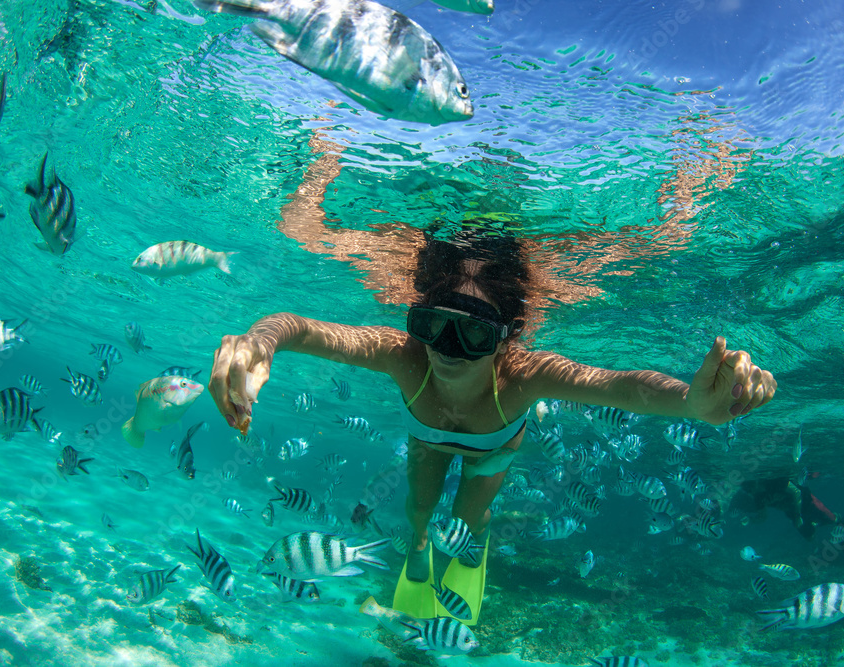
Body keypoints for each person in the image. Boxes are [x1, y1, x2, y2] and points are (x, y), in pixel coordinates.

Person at [209, 223, 778, 624]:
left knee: (470, 518)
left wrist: (689, 403)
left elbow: (618, 384)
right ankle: (416, 557)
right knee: (418, 511)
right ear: (417, 319)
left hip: (495, 445)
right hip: (428, 439)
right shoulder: (404, 355)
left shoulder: (524, 376)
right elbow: (299, 326)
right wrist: (261, 341)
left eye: (475, 332)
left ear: (506, 336)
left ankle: (462, 558)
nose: (449, 348)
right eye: (433, 325)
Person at [728, 477, 840, 540]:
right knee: (808, 536)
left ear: (755, 482)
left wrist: (797, 515)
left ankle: (839, 521)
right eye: (748, 491)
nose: (751, 492)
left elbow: (796, 492)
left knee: (831, 518)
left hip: (806, 501)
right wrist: (750, 520)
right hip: (790, 510)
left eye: (750, 487)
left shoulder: (772, 481)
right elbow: (763, 516)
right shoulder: (758, 497)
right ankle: (816, 525)